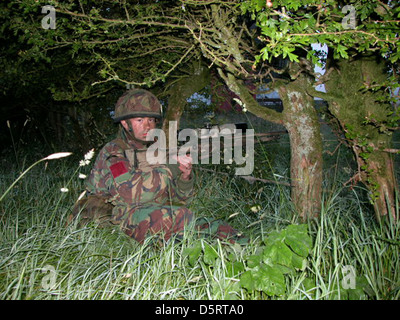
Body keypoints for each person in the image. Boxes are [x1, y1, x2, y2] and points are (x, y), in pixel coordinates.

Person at [77, 88, 245, 244]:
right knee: (178, 218)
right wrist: (170, 167)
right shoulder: (114, 152)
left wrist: (184, 177)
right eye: (140, 120)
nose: (147, 125)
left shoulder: (156, 148)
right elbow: (130, 195)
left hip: (148, 213)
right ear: (124, 123)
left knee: (209, 225)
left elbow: (178, 201)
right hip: (109, 216)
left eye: (151, 120)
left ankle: (242, 247)